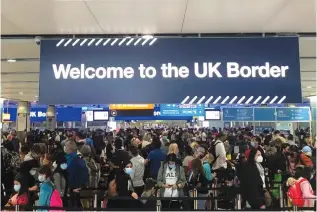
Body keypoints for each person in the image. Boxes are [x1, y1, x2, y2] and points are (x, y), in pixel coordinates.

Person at [64, 140, 89, 208]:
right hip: (79, 190)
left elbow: (67, 175)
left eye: (65, 146)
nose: (65, 148)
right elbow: (86, 174)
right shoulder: (81, 160)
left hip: (70, 190)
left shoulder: (68, 160)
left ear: (69, 148)